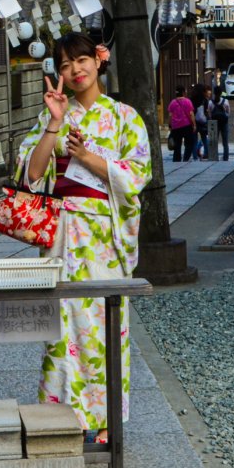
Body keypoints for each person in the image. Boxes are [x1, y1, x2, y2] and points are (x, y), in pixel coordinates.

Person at [19, 33, 151, 443]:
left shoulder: (125, 116)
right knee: (60, 329)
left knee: (105, 324)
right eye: (64, 65)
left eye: (80, 60)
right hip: (61, 233)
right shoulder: (53, 114)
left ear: (98, 60)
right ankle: (58, 416)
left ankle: (107, 418)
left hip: (103, 233)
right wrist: (54, 124)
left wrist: (86, 157)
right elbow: (31, 174)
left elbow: (137, 176)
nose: (74, 70)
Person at [166, 86, 196, 162]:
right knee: (189, 143)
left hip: (176, 127)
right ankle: (186, 158)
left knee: (177, 145)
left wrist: (170, 125)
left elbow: (170, 115)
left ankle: (177, 160)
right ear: (183, 92)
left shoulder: (172, 102)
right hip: (187, 126)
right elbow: (191, 114)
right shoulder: (188, 101)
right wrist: (194, 125)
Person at [211, 86, 233, 160]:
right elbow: (228, 113)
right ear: (221, 93)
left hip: (214, 124)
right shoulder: (225, 101)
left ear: (214, 92)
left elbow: (209, 113)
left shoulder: (211, 102)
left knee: (214, 141)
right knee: (225, 142)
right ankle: (226, 157)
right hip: (224, 123)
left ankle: (214, 156)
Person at [191, 84, 211, 160]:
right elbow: (206, 111)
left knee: (195, 140)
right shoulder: (204, 99)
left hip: (194, 121)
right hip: (202, 121)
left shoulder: (192, 99)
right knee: (204, 138)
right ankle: (206, 153)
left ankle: (195, 156)